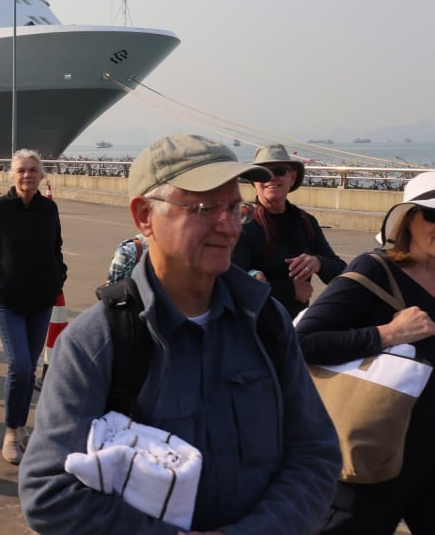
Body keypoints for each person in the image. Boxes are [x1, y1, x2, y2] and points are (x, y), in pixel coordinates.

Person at [19, 133, 341, 534]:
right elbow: (48, 491)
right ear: (143, 216)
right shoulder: (97, 341)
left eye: (234, 208)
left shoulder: (266, 321)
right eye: (206, 207)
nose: (228, 227)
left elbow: (315, 453)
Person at [296, 170, 435, 534]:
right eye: (433, 215)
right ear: (408, 220)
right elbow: (303, 342)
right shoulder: (374, 271)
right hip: (375, 453)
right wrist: (387, 333)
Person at [0, 149, 66, 464]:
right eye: (21, 170)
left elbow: (56, 247)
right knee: (19, 366)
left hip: (41, 300)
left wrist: (58, 277)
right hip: (7, 302)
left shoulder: (49, 209)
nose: (27, 176)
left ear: (41, 175)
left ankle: (21, 429)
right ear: (12, 174)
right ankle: (10, 431)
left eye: (33, 170)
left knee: (29, 367)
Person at [233, 144, 346, 319]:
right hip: (253, 330)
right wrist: (289, 289)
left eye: (279, 171)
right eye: (263, 173)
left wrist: (318, 262)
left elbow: (340, 273)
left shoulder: (306, 222)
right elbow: (231, 282)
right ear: (254, 182)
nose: (271, 178)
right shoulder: (242, 223)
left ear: (292, 178)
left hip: (294, 330)